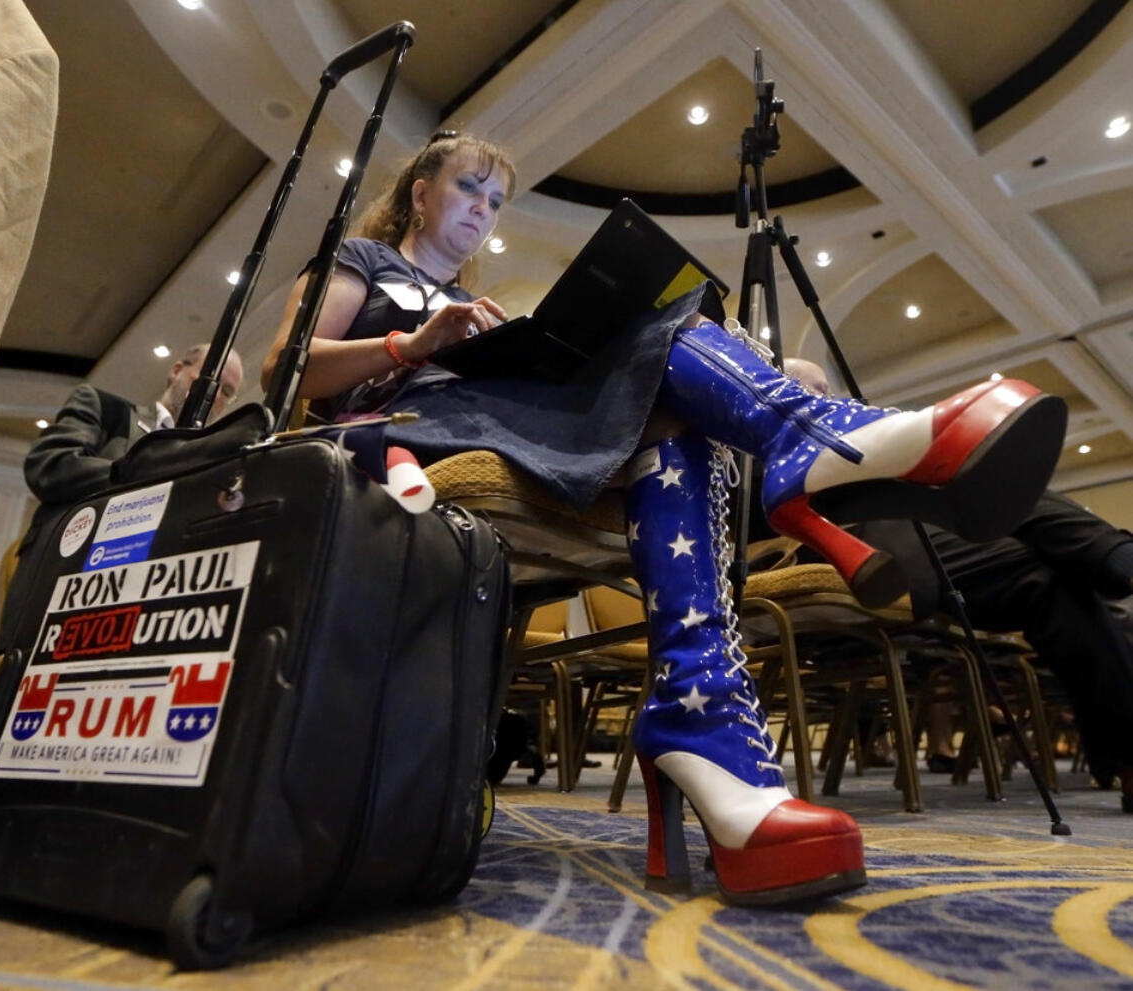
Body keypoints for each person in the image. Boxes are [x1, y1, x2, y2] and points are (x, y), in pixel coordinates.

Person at [261, 133, 1067, 905]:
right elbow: (288, 366)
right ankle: (809, 444)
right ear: (421, 192)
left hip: (509, 417)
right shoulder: (367, 262)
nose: (483, 206)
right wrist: (412, 345)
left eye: (498, 198)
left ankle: (701, 707)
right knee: (668, 344)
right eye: (470, 186)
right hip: (407, 425)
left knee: (670, 368)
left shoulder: (481, 302)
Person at [784, 357, 1133, 812]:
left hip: (909, 532)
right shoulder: (756, 437)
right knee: (1029, 546)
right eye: (816, 389)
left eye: (830, 390)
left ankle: (1128, 756)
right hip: (850, 551)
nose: (832, 400)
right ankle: (1116, 557)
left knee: (1045, 568)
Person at [0, 344, 243, 645]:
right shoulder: (105, 408)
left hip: (136, 616)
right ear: (176, 371)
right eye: (210, 379)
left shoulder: (208, 465)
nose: (215, 394)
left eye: (228, 392)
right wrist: (140, 474)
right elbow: (49, 467)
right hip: (57, 597)